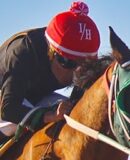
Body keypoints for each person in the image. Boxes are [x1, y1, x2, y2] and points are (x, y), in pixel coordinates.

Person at [0, 2, 100, 142]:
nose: (75, 72)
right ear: (51, 51)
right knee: (12, 125)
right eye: (68, 62)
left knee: (74, 113)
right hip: (7, 97)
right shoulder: (22, 53)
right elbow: (9, 109)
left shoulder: (76, 65)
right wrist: (48, 116)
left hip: (36, 96)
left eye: (84, 65)